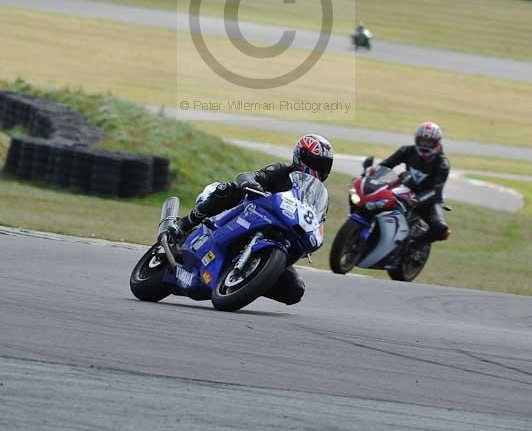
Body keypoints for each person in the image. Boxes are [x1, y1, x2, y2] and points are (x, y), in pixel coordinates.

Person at [169, 134, 334, 305]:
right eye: (315, 163)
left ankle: (250, 279)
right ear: (300, 156)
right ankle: (183, 225)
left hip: (281, 238)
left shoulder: (317, 196)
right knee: (228, 189)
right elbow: (248, 176)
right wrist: (251, 183)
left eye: (323, 166)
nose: (319, 169)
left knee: (295, 290)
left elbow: (318, 220)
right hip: (250, 213)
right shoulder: (281, 171)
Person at [371, 121, 450, 244]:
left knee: (441, 229)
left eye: (429, 142)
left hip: (429, 201)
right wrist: (372, 175)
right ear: (416, 139)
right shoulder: (407, 150)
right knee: (377, 201)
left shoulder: (442, 164)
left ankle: (413, 244)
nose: (425, 145)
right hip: (406, 189)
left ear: (437, 142)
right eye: (422, 141)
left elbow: (435, 190)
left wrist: (417, 200)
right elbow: (386, 165)